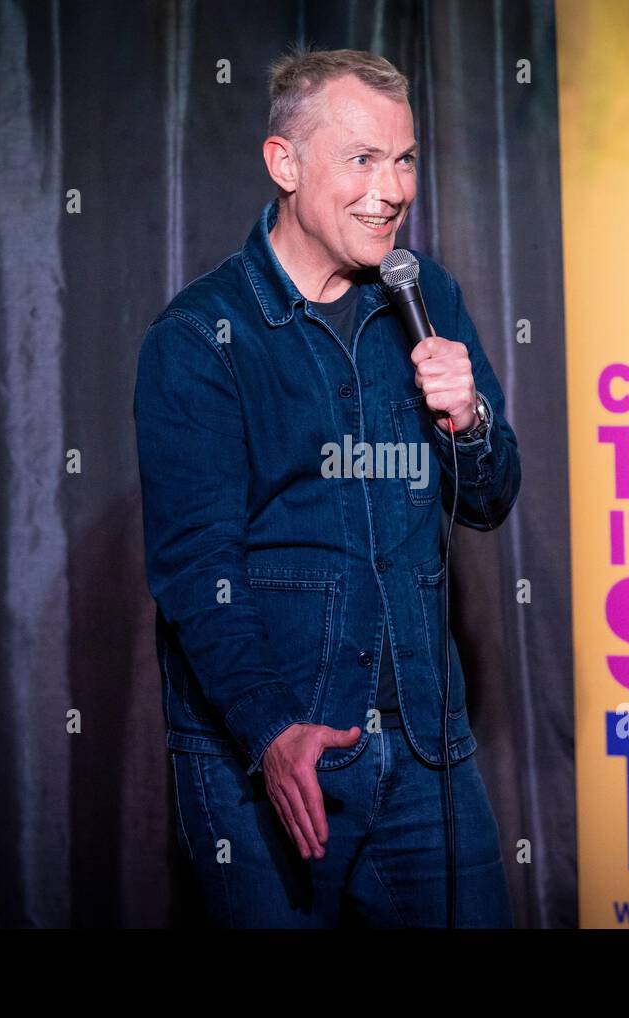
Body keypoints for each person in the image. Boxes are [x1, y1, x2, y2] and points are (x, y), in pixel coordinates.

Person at [134, 46, 521, 927]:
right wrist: (271, 731)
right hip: (271, 762)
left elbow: (491, 498)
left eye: (406, 158)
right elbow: (198, 568)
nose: (393, 190)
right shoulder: (201, 336)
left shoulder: (428, 297)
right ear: (284, 163)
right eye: (362, 159)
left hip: (430, 753)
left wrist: (471, 423)